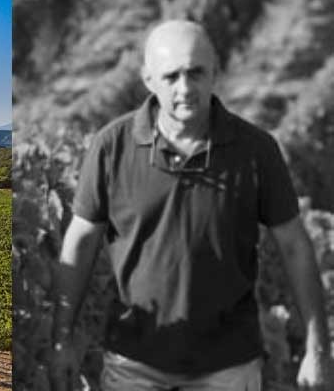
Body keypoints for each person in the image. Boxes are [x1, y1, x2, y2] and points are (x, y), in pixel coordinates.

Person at [48, 20, 332, 390]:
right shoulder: (111, 147)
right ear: (148, 79)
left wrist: (318, 348)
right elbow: (81, 242)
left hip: (229, 367)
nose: (185, 88)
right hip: (134, 364)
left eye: (196, 73)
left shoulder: (256, 150)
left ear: (215, 72)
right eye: (171, 77)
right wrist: (60, 338)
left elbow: (294, 245)